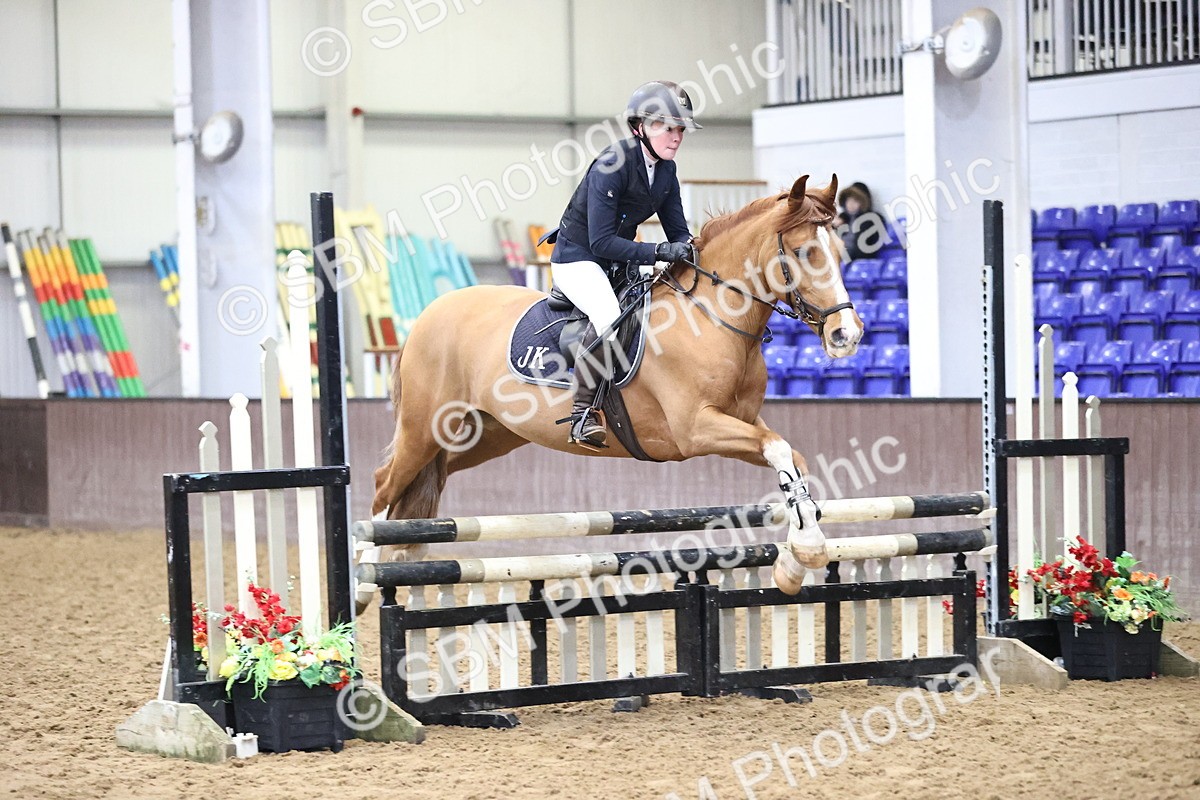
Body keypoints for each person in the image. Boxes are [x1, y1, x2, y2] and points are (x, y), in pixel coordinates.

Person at [545, 80, 700, 448]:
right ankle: (582, 414)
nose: (676, 136)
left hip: (617, 263)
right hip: (578, 259)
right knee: (609, 316)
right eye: (666, 126)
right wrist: (661, 252)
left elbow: (678, 232)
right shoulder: (612, 164)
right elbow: (600, 241)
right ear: (639, 127)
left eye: (680, 129)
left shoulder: (666, 172)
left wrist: (693, 253)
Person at [834, 181, 889, 261]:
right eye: (848, 200)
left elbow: (862, 251)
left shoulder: (872, 219)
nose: (850, 204)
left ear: (863, 202)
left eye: (855, 200)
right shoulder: (843, 219)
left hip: (858, 262)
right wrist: (832, 227)